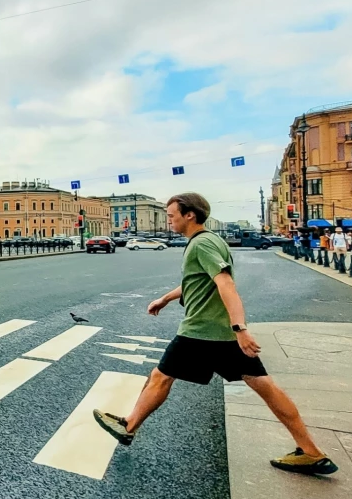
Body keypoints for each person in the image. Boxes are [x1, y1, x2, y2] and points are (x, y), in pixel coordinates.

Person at [93, 192, 336, 474]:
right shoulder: (210, 241)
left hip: (201, 331)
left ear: (189, 215)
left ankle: (129, 426)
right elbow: (198, 281)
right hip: (220, 334)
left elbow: (225, 284)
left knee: (160, 377)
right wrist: (166, 298)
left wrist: (240, 328)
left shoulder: (202, 244)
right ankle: (311, 451)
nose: (169, 220)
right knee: (266, 387)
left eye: (172, 215)